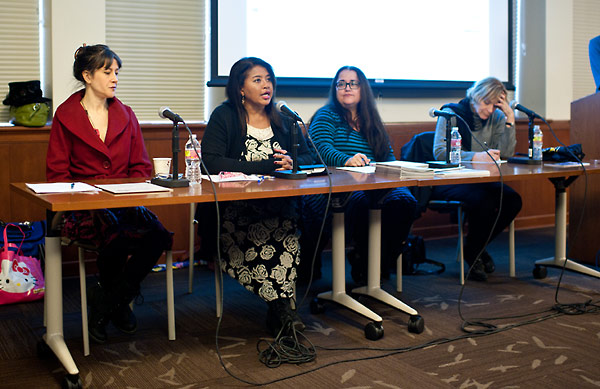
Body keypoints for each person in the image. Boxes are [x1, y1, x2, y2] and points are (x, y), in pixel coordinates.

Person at [46, 44, 173, 343]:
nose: (115, 78)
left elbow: (141, 166)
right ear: (87, 76)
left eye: (117, 72)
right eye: (107, 72)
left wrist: (125, 193)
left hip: (124, 203)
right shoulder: (65, 115)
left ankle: (109, 301)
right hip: (83, 208)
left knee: (159, 235)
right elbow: (57, 174)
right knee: (116, 233)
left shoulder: (126, 114)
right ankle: (116, 304)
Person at [200, 57, 313, 337]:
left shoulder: (284, 118)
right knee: (275, 240)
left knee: (286, 235)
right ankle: (284, 311)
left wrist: (293, 162)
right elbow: (211, 162)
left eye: (269, 79)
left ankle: (281, 313)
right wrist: (264, 166)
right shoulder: (224, 115)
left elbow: (312, 156)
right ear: (240, 87)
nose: (267, 86)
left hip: (280, 209)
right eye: (257, 79)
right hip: (235, 215)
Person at [303, 65, 417, 284]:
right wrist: (346, 160)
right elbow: (320, 149)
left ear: (362, 88)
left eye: (353, 83)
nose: (347, 88)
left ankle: (372, 263)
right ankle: (366, 265)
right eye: (341, 83)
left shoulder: (371, 120)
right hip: (334, 188)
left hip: (372, 185)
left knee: (405, 201)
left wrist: (397, 172)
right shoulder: (326, 115)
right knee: (362, 203)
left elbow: (387, 156)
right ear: (335, 89)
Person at [432, 76, 522, 281]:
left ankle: (474, 247)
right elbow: (439, 151)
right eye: (486, 103)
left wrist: (509, 117)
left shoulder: (498, 117)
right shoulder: (450, 113)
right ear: (475, 96)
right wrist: (474, 157)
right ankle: (475, 252)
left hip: (482, 180)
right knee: (485, 201)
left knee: (513, 200)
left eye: (495, 105)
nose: (490, 110)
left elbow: (506, 153)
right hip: (452, 180)